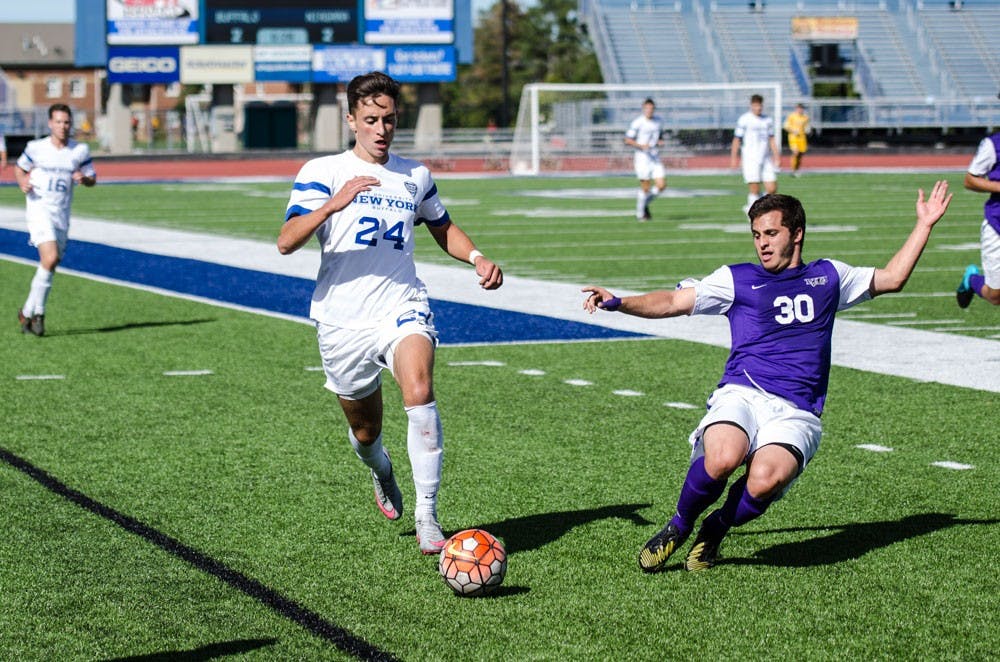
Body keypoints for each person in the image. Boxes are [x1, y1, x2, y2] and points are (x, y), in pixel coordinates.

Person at [582, 182, 952, 573]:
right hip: (742, 394)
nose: (762, 243)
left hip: (797, 410)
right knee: (724, 457)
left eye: (771, 233)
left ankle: (716, 526)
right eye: (757, 235)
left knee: (762, 482)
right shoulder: (736, 279)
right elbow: (674, 301)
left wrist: (924, 224)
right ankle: (679, 525)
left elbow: (892, 278)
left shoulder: (829, 277)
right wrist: (620, 302)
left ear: (797, 234)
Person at [277, 71, 504, 555]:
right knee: (364, 431)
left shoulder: (415, 175)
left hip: (402, 304)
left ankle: (427, 514)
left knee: (419, 388)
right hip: (342, 319)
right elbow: (286, 242)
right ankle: (380, 466)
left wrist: (477, 257)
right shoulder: (322, 171)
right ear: (352, 120)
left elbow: (443, 227)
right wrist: (333, 207)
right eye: (372, 119)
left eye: (390, 119)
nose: (382, 129)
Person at [15, 103, 97, 336]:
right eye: (58, 122)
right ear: (50, 123)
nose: (63, 126)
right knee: (49, 258)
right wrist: (22, 182)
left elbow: (92, 177)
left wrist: (85, 179)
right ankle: (39, 312)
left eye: (67, 122)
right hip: (39, 209)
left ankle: (27, 313)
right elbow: (20, 169)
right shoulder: (36, 147)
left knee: (51, 263)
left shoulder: (79, 150)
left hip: (61, 214)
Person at [955, 129, 1000, 308]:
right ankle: (972, 280)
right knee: (996, 296)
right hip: (997, 225)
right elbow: (970, 180)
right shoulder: (993, 144)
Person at [731, 94, 781, 214]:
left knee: (772, 188)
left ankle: (754, 206)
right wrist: (734, 158)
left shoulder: (767, 120)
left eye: (759, 105)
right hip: (750, 159)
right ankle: (752, 211)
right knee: (755, 188)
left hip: (765, 158)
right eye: (755, 105)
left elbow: (772, 139)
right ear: (751, 105)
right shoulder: (745, 119)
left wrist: (776, 156)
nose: (758, 108)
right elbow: (737, 139)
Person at [624, 98, 667, 222]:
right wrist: (641, 146)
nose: (649, 111)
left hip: (654, 157)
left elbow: (659, 136)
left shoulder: (658, 121)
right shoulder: (638, 122)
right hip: (642, 158)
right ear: (643, 109)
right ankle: (640, 214)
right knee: (645, 188)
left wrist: (660, 141)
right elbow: (627, 139)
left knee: (662, 185)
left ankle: (643, 204)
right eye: (647, 108)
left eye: (651, 108)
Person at [783, 103, 810, 177]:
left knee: (800, 156)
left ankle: (796, 170)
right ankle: (792, 170)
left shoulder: (805, 118)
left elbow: (807, 127)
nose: (800, 110)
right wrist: (793, 130)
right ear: (796, 108)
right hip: (793, 137)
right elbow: (785, 126)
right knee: (796, 152)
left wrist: (808, 130)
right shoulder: (791, 116)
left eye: (801, 108)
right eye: (799, 108)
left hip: (802, 138)